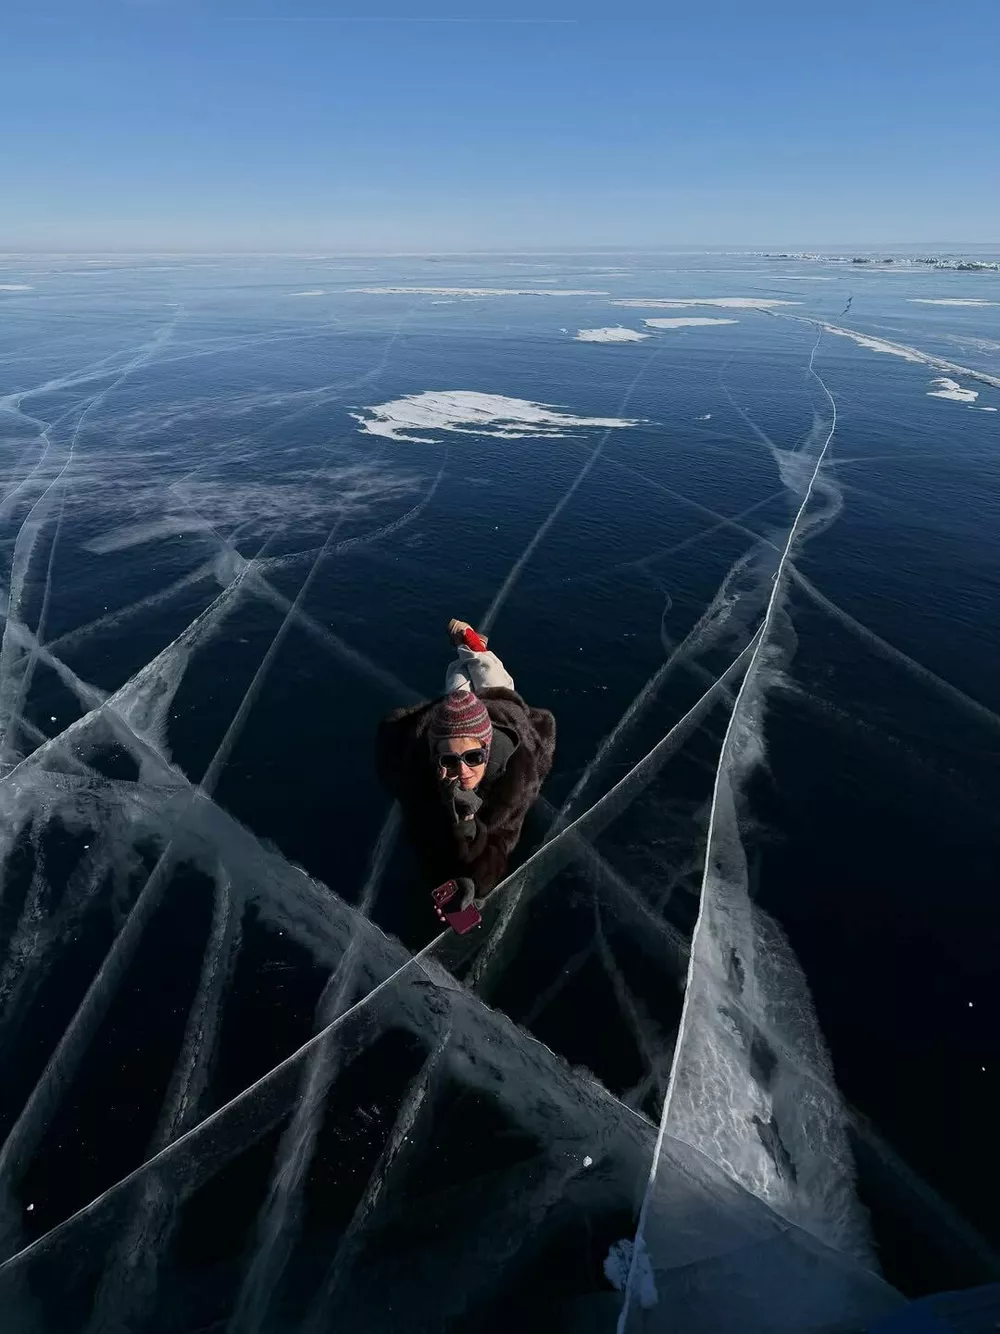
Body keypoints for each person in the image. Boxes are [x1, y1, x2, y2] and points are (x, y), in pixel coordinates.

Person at [376, 619, 556, 927]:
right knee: (456, 678)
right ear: (435, 757)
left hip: (498, 709)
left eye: (474, 758)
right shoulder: (420, 772)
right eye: (450, 760)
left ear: (488, 749)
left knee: (488, 672)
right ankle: (465, 652)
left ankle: (470, 640)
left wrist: (471, 833)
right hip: (454, 725)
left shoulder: (515, 774)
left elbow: (501, 845)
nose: (463, 771)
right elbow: (424, 837)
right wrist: (451, 875)